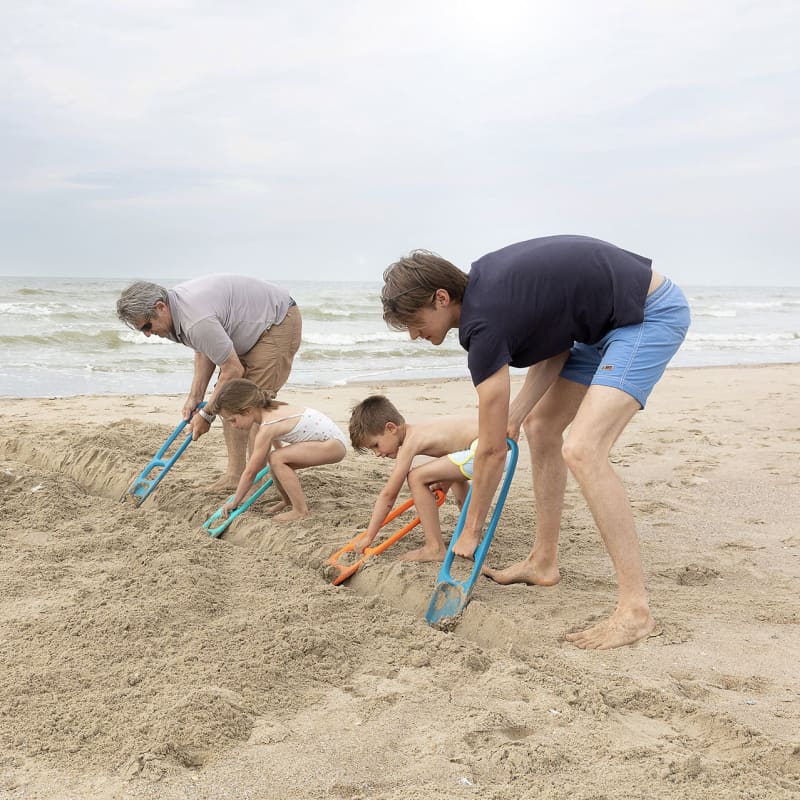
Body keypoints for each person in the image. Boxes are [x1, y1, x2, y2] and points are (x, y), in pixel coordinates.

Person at [380, 235, 691, 650]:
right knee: (541, 427)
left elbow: (490, 451)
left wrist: (470, 531)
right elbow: (558, 344)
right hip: (597, 328)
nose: (413, 336)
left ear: (440, 298)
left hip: (645, 315)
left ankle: (635, 611)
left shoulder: (483, 323)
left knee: (583, 449)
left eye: (413, 322)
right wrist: (517, 413)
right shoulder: (489, 292)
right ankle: (543, 561)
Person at [116, 275, 302, 490]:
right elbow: (204, 349)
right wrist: (195, 397)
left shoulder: (195, 319)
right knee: (229, 403)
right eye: (142, 330)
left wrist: (207, 414)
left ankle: (254, 480)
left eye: (147, 326)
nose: (148, 334)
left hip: (277, 321)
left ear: (160, 307)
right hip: (249, 326)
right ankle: (235, 476)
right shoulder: (178, 314)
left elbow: (232, 369)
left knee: (251, 408)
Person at [349, 395, 478, 562]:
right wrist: (444, 483)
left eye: (376, 445)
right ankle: (469, 534)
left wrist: (369, 536)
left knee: (416, 477)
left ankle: (434, 548)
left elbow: (389, 495)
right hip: (498, 445)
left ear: (391, 428)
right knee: (457, 480)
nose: (377, 454)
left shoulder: (410, 443)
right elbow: (454, 451)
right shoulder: (421, 430)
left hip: (487, 450)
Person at [208, 378, 347, 522]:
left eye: (233, 420)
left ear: (248, 410)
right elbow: (277, 438)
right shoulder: (269, 412)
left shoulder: (268, 426)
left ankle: (300, 510)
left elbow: (250, 472)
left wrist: (235, 502)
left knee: (276, 458)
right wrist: (280, 463)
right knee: (276, 461)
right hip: (328, 442)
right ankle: (287, 501)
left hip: (332, 445)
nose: (233, 426)